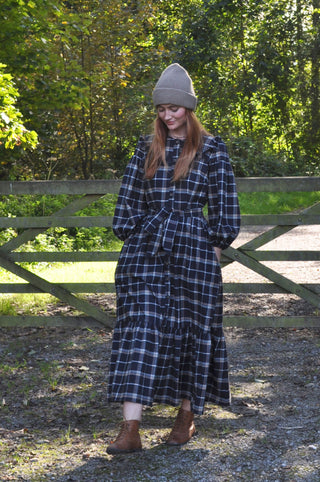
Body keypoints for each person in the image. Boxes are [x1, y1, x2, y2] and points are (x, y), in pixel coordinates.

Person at [106, 63, 241, 454]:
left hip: (194, 253)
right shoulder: (145, 148)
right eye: (161, 109)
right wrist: (134, 235)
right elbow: (126, 202)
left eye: (174, 109)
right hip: (145, 251)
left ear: (189, 109)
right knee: (140, 327)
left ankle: (186, 417)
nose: (167, 116)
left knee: (193, 329)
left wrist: (213, 246)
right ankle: (130, 428)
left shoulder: (212, 150)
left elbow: (225, 206)